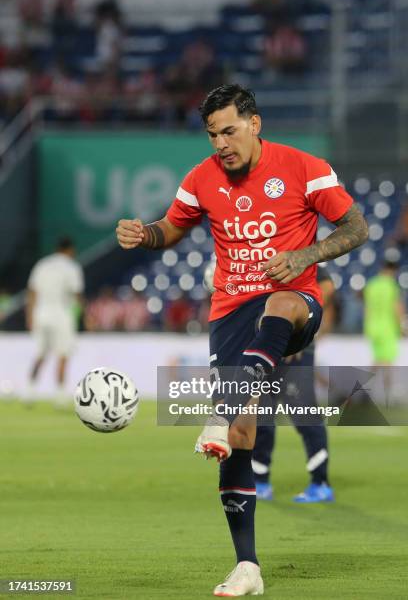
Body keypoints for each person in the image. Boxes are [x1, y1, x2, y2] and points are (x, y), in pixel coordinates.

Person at [116, 84, 368, 597]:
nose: (220, 144)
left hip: (294, 297)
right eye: (212, 134)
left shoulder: (304, 167)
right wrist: (145, 234)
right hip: (229, 312)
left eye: (228, 131)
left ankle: (220, 413)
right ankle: (247, 566)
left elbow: (357, 227)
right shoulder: (202, 179)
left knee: (281, 304)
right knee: (240, 441)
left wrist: (306, 256)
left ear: (254, 124)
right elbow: (173, 227)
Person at [253, 266, 336, 503]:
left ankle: (320, 483)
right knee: (262, 413)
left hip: (296, 347)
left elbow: (326, 285)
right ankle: (260, 481)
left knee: (303, 412)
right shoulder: (259, 258)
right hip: (265, 345)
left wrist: (296, 328)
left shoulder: (296, 256)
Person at [26, 237, 84, 404]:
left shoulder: (42, 264)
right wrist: (84, 316)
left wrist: (30, 315)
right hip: (62, 315)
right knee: (63, 355)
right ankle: (59, 396)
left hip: (41, 313)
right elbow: (77, 293)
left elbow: (32, 292)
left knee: (40, 354)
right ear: (70, 250)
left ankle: (30, 390)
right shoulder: (72, 267)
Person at [363, 260, 405, 404]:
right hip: (388, 327)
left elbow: (367, 307)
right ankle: (389, 394)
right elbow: (397, 308)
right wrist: (402, 327)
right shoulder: (391, 286)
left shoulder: (371, 285)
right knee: (387, 361)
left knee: (378, 359)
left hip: (372, 326)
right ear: (392, 271)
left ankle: (366, 390)